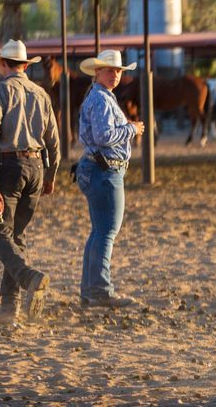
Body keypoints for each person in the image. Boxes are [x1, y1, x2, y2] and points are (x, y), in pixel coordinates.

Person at [0, 39, 60, 322]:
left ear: (3, 64)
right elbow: (54, 141)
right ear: (26, 65)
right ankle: (9, 306)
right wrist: (51, 176)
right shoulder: (41, 94)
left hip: (9, 165)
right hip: (37, 167)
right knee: (16, 236)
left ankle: (28, 278)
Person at [75, 50, 145, 308]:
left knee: (99, 231)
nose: (115, 75)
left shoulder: (98, 96)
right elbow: (105, 136)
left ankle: (90, 289)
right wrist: (132, 129)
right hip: (105, 171)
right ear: (98, 72)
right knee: (107, 232)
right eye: (110, 70)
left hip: (97, 169)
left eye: (118, 71)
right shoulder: (103, 99)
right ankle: (100, 290)